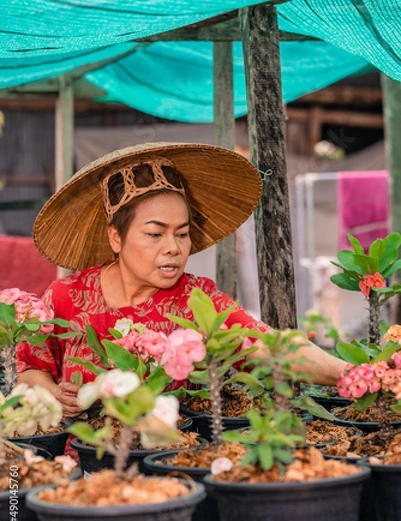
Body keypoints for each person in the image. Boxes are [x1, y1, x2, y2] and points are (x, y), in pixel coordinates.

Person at [17, 142, 346, 418]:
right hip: (79, 466)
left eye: (183, 233)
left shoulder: (195, 298)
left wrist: (350, 374)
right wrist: (55, 395)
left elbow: (268, 346)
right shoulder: (65, 297)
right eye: (155, 233)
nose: (173, 248)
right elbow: (30, 370)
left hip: (172, 457)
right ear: (116, 238)